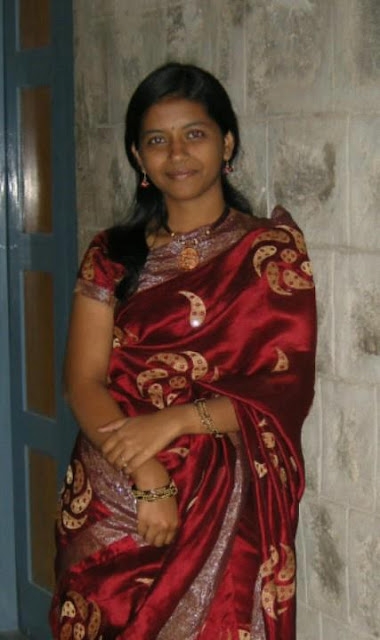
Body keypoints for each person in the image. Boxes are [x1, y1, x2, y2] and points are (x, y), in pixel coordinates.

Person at [50, 62, 316, 640]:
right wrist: (147, 472)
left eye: (194, 133)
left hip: (220, 497)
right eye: (156, 140)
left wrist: (173, 422)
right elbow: (83, 382)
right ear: (138, 159)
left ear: (227, 143)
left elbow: (285, 386)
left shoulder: (268, 253)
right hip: (115, 485)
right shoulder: (112, 255)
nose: (177, 153)